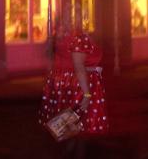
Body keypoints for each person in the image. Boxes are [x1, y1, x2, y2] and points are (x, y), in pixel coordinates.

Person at [39, 10, 109, 157]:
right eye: (82, 16)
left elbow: (54, 61)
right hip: (78, 85)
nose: (85, 19)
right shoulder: (78, 38)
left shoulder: (60, 36)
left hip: (63, 83)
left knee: (68, 126)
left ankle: (66, 151)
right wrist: (87, 94)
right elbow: (78, 67)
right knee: (78, 127)